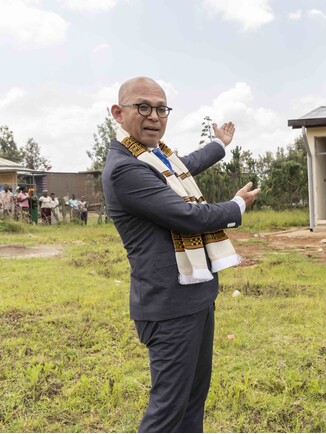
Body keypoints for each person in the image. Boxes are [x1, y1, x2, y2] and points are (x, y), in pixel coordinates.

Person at [102, 76, 260, 433]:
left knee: (192, 402)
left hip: (196, 294)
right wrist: (237, 205)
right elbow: (188, 218)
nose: (154, 116)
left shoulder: (154, 158)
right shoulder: (126, 168)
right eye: (143, 107)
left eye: (161, 109)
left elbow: (185, 166)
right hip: (169, 307)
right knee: (168, 411)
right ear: (118, 112)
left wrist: (219, 144)